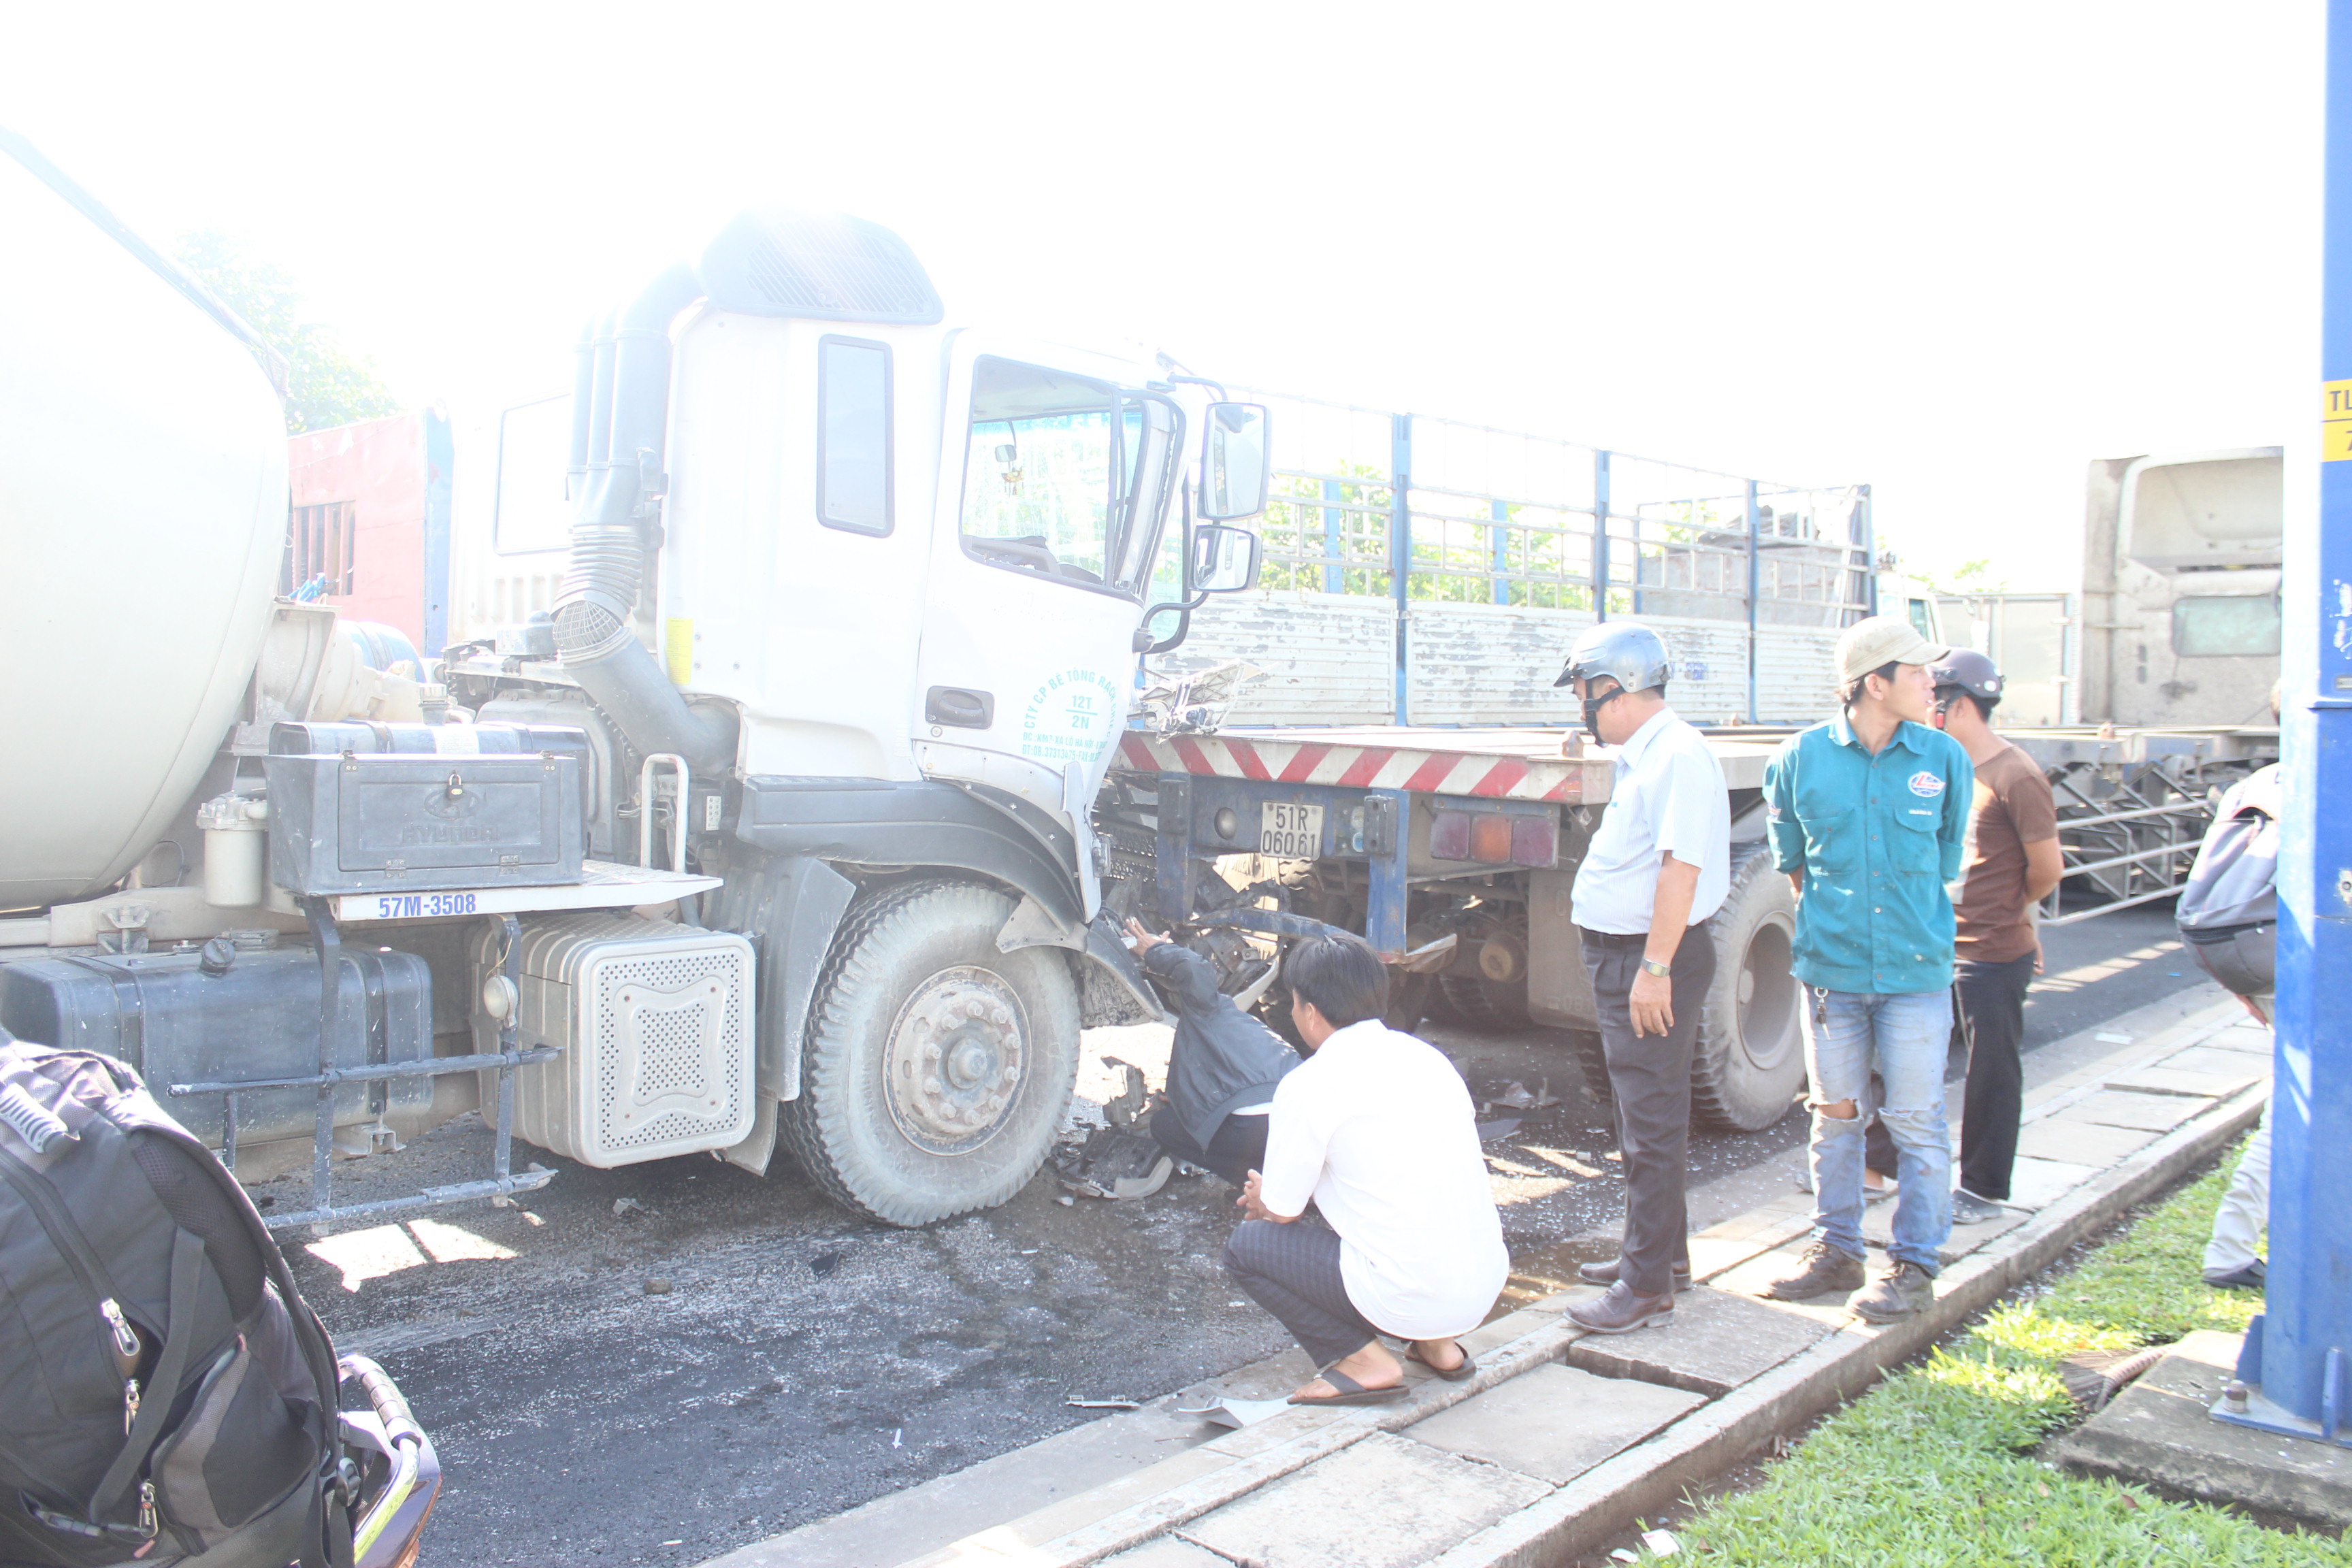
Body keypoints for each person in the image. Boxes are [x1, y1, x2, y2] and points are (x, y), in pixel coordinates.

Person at [1759, 615, 1973, 1322]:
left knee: (1917, 1125)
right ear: (1874, 684)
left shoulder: (1944, 759)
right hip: (1832, 976)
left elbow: (1945, 859)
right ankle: (1837, 1253)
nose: (1930, 683)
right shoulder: (1799, 759)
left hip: (1915, 974)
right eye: (1916, 673)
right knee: (1836, 1119)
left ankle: (1913, 1266)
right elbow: (1791, 857)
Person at [1223, 934, 1509, 1405]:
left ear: (1310, 1012)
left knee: (1247, 1248)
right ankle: (1439, 1347)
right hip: (1481, 1285)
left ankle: (1362, 1360)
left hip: (1409, 1294)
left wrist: (1263, 1197)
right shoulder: (1429, 1058)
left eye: (1294, 1004)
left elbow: (1281, 1210)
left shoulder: (1309, 1083)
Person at [1550, 622, 1731, 1333]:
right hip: (1631, 954)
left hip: (1651, 957)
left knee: (1650, 1121)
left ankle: (1647, 1283)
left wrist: (1654, 968)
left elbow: (1679, 869)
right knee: (1640, 1112)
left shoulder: (1677, 756)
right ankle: (1659, 1257)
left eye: (1583, 694)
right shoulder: (1648, 755)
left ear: (1613, 688)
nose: (1580, 709)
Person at [1927, 649, 2062, 1224]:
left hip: (1992, 952)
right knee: (1911, 1061)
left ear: (1959, 707)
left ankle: (1982, 1189)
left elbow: (2048, 869)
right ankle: (1877, 1164)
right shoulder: (1950, 770)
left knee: (1991, 1071)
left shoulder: (2016, 775)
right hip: (1937, 944)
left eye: (1934, 704)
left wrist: (2014, 914)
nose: (1925, 714)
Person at [2176, 738, 2281, 1291]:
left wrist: (2239, 978)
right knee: (2295, 1108)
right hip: (2310, 961)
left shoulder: (2255, 784)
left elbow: (2212, 889)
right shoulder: (2332, 776)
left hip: (2254, 957)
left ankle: (2234, 1246)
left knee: (2294, 1104)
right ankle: (2232, 1248)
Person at [1125, 917, 1300, 1187]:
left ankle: (1254, 1183)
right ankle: (1282, 1183)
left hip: (1252, 1130)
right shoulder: (1255, 1030)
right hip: (1297, 1128)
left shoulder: (1210, 1009)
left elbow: (1194, 968)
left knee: (1162, 1126)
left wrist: (1154, 950)